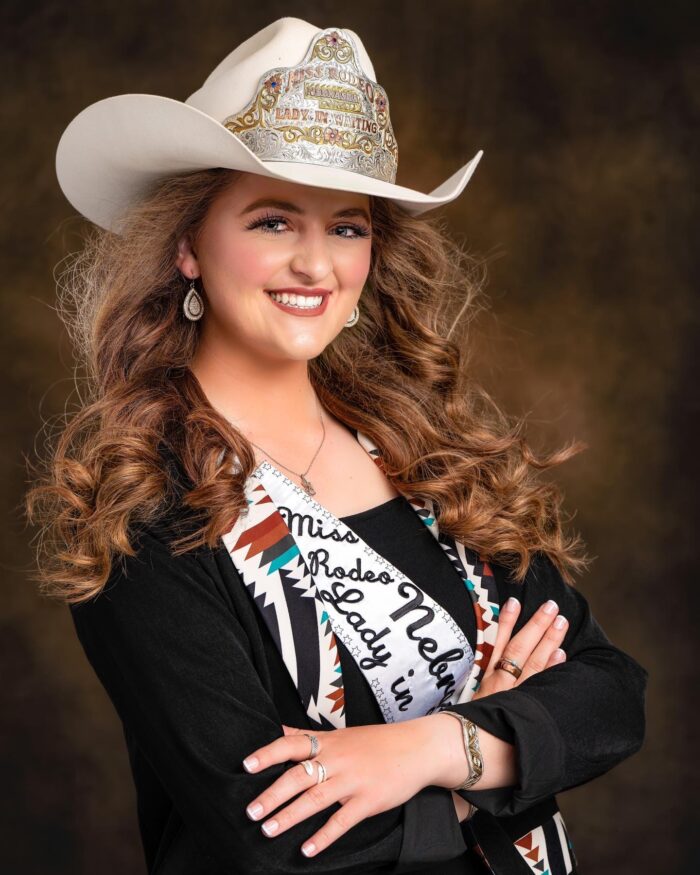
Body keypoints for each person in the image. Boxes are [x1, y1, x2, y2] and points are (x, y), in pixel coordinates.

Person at [26, 17, 648, 875]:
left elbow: (610, 694)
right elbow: (272, 840)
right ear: (188, 248)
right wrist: (502, 753)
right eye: (274, 221)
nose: (316, 265)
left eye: (348, 227)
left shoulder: (425, 457)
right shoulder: (143, 504)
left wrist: (427, 748)